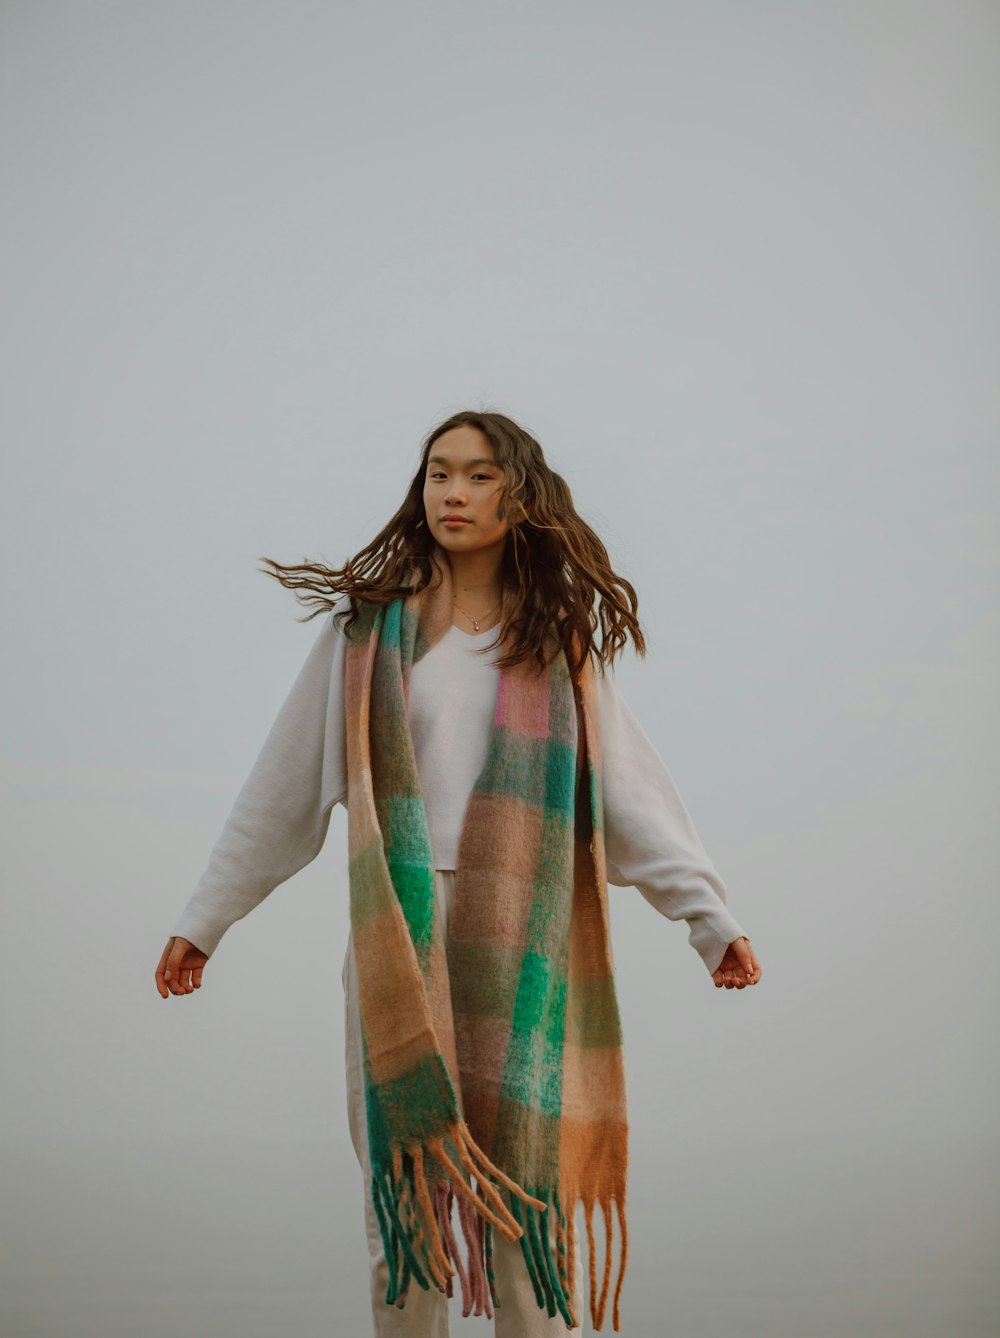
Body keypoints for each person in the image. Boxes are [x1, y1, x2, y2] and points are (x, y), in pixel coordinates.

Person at [155, 410, 762, 1336]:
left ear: (519, 496)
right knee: (404, 1210)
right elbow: (281, 790)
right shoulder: (366, 636)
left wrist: (709, 921)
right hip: (397, 936)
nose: (452, 493)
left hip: (523, 938)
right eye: (439, 473)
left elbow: (630, 797)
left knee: (523, 1204)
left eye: (478, 476)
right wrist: (206, 921)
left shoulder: (556, 642)